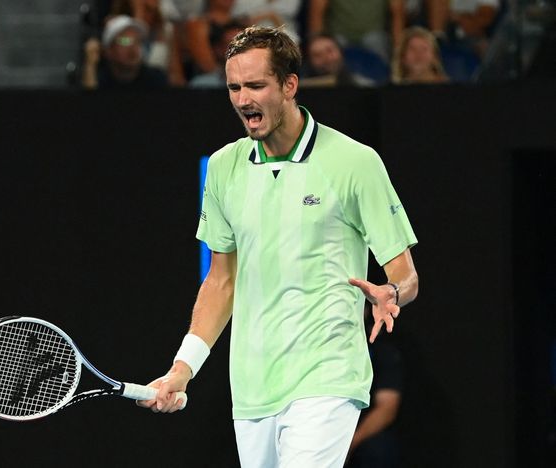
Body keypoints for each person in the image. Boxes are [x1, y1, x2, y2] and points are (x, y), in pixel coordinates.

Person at [138, 25, 419, 468]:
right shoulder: (224, 168)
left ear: (289, 85)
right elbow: (221, 282)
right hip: (251, 389)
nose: (243, 99)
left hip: (327, 375)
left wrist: (394, 292)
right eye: (234, 87)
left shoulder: (355, 162)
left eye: (255, 85)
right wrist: (182, 369)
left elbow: (405, 273)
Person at [345, 306, 404, 468]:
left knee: (377, 449)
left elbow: (387, 407)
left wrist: (350, 443)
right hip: (319, 424)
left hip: (358, 438)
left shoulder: (381, 350)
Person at [81, 14, 168, 90]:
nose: (133, 47)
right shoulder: (100, 81)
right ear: (109, 50)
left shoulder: (156, 80)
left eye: (137, 40)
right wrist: (90, 65)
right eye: (125, 41)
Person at [307, 0, 406, 63]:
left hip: (374, 35)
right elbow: (317, 12)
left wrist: (399, 51)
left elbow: (398, 15)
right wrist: (317, 42)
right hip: (338, 36)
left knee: (377, 43)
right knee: (329, 55)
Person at [300, 33, 375, 87]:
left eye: (330, 51)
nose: (327, 59)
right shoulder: (300, 93)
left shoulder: (363, 87)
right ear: (309, 62)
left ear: (341, 52)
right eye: (318, 55)